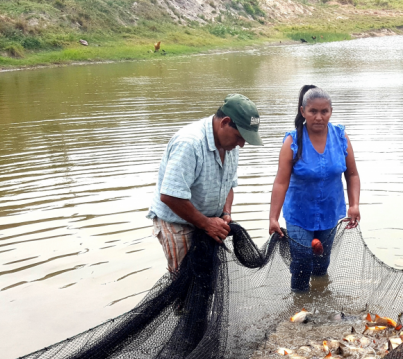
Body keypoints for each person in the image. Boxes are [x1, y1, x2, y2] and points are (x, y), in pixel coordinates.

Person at [147, 94, 262, 272]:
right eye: (239, 137)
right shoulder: (189, 143)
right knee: (187, 284)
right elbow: (170, 195)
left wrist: (226, 212)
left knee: (209, 281)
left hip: (210, 221)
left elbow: (229, 184)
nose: (241, 144)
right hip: (178, 222)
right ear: (225, 122)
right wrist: (207, 224)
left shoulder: (230, 145)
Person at [269, 86, 361, 293]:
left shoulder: (341, 137)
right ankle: (299, 307)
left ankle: (320, 299)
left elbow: (352, 174)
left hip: (329, 213)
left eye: (324, 112)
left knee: (321, 264)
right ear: (303, 112)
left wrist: (354, 205)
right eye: (313, 112)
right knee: (301, 264)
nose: (319, 117)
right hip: (299, 215)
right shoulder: (292, 142)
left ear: (331, 111)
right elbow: (280, 182)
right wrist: (273, 218)